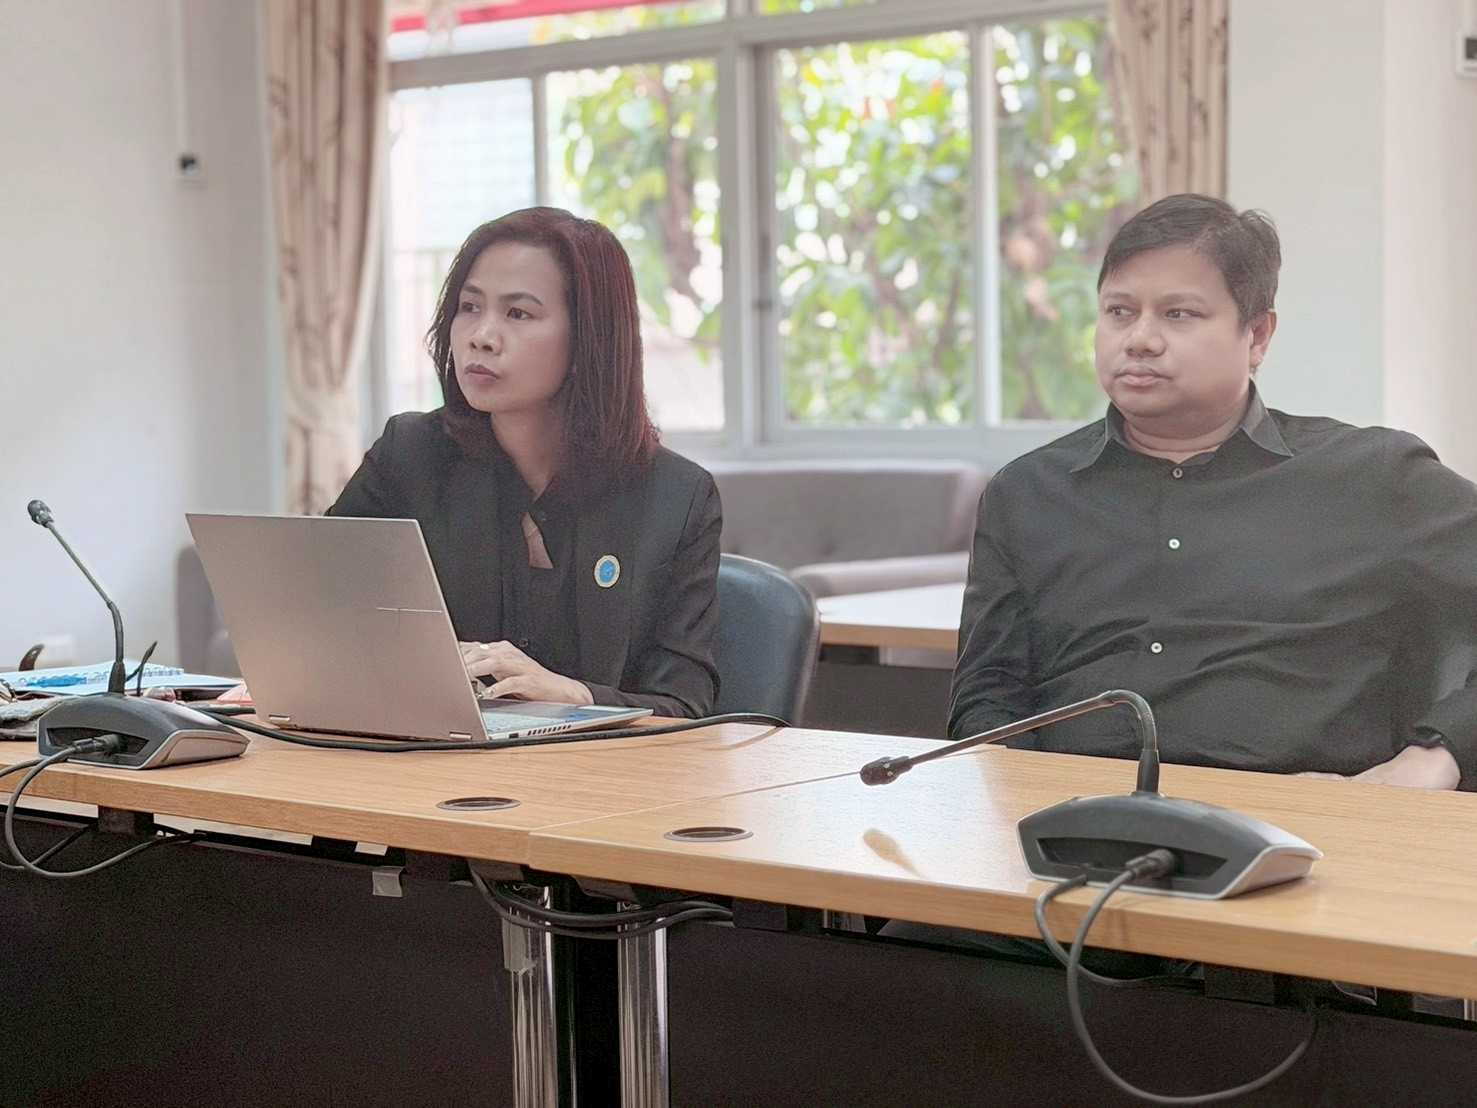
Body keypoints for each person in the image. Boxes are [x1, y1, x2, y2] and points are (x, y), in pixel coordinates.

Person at [951, 193, 1477, 791]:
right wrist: (1024, 803)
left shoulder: (1373, 477)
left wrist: (1437, 755)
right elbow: (988, 696)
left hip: (1302, 818)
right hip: (1079, 813)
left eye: (1179, 314)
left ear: (1257, 336)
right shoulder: (1027, 493)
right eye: (1119, 311)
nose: (1140, 339)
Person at [329, 207, 720, 718]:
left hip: (604, 766)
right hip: (433, 754)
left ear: (589, 338)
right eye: (469, 307)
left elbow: (685, 706)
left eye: (518, 314)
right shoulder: (409, 455)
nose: (481, 336)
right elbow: (318, 612)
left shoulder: (676, 499)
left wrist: (577, 696)